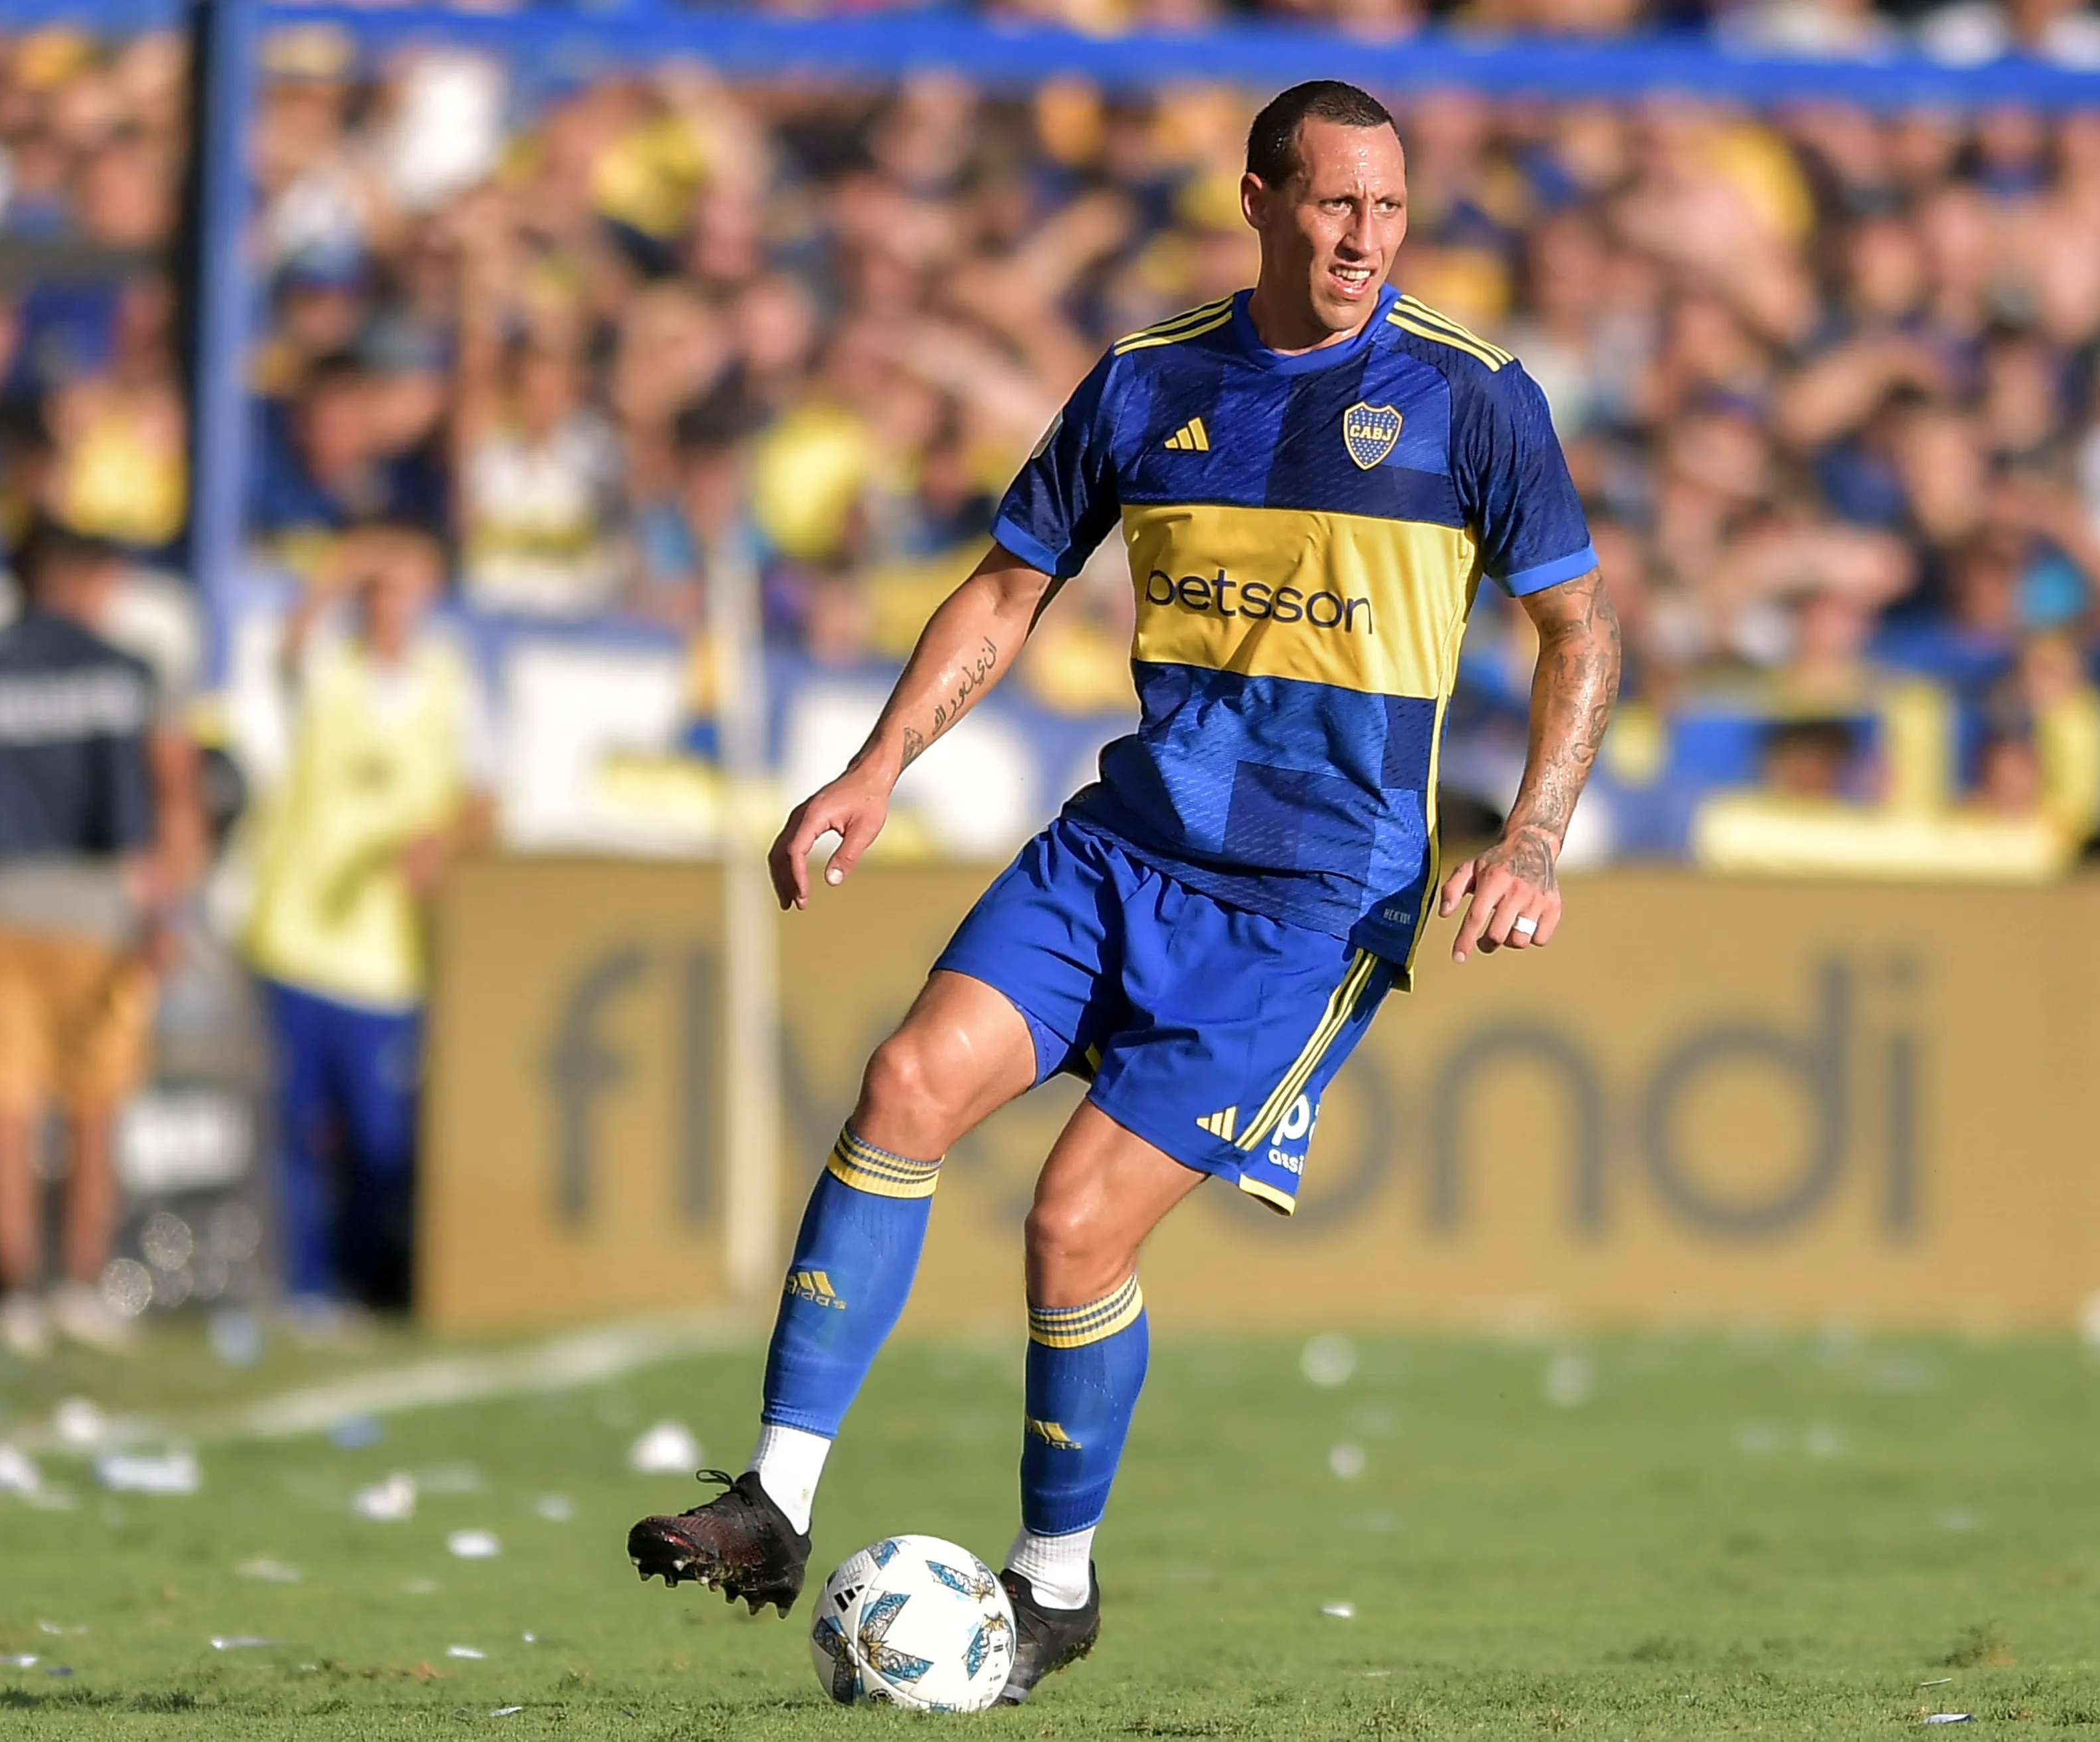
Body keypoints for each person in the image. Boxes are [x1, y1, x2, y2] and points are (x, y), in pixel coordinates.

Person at [625, 80, 1619, 1703]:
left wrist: (1528, 839)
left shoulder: (1471, 397)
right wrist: (874, 770)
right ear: (1256, 200)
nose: (1366, 237)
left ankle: (1054, 1583)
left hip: (1312, 903)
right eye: (1333, 204)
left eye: (1389, 207)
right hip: (1121, 846)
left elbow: (1581, 630)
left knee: (1072, 1219)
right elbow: (1009, 586)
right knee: (901, 1084)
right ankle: (773, 1498)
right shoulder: (1151, 379)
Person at [0, 521, 203, 1351]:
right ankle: (83, 1287)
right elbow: (175, 793)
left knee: (1, 1107)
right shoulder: (131, 667)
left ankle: (15, 1292)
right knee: (95, 1103)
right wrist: (171, 910)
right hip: (101, 911)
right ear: (93, 581)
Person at [244, 523, 494, 1310]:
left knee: (379, 1136)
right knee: (292, 1128)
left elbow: (487, 795)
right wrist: (346, 561)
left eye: (405, 586)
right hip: (298, 936)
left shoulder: (451, 683)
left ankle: (358, 1279)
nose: (391, 602)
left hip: (386, 957)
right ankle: (304, 1286)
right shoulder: (327, 671)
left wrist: (439, 843)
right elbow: (291, 639)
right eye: (378, 587)